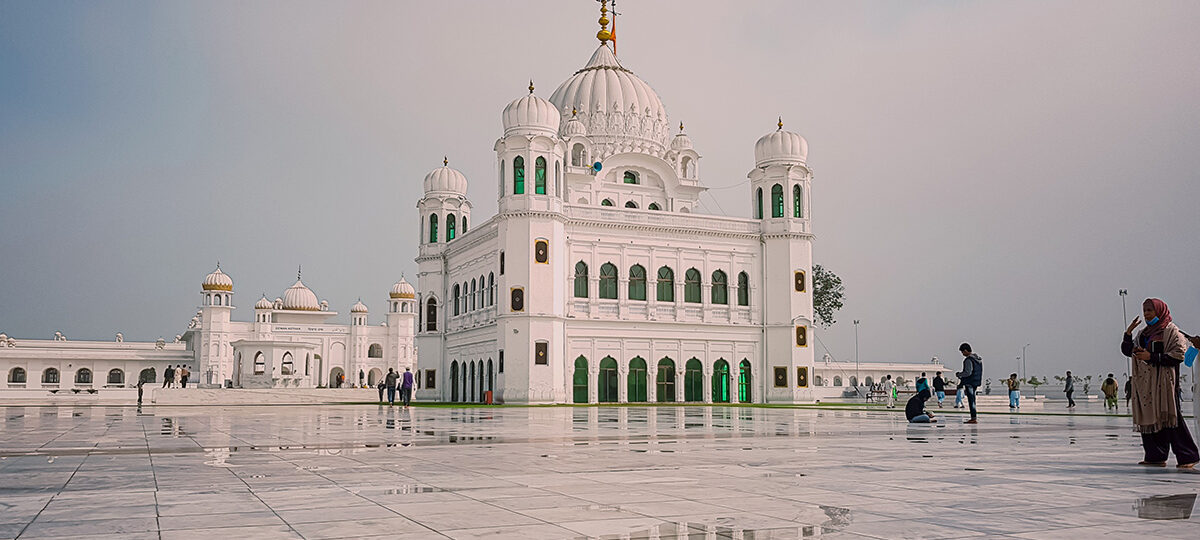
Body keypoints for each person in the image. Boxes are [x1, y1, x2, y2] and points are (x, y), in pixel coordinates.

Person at [1121, 298, 1199, 469]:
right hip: (1146, 384)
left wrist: (1151, 357)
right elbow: (1128, 351)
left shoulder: (1172, 332)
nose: (1147, 314)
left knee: (1170, 418)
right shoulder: (1143, 334)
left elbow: (1178, 356)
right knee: (1150, 418)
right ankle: (1155, 455)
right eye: (1145, 310)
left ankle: (1188, 456)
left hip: (1165, 383)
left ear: (1160, 310)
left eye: (1150, 310)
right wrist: (1128, 333)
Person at [955, 343, 983, 424]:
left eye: (962, 352)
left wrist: (959, 374)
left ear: (966, 350)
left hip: (970, 382)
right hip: (976, 381)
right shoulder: (978, 360)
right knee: (973, 399)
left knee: (971, 400)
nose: (963, 354)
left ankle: (973, 418)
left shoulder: (968, 360)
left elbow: (968, 372)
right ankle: (973, 417)